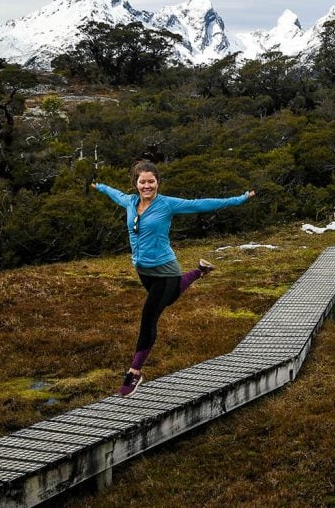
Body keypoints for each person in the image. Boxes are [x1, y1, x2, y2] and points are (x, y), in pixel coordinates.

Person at [92, 160, 255, 396]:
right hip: (143, 271)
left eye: (151, 181)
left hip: (166, 270)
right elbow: (113, 193)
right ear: (135, 183)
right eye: (142, 181)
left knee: (149, 317)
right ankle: (200, 271)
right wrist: (100, 187)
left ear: (157, 182)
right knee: (167, 300)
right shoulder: (129, 201)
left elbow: (202, 204)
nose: (147, 185)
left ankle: (134, 373)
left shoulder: (167, 204)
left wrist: (239, 198)